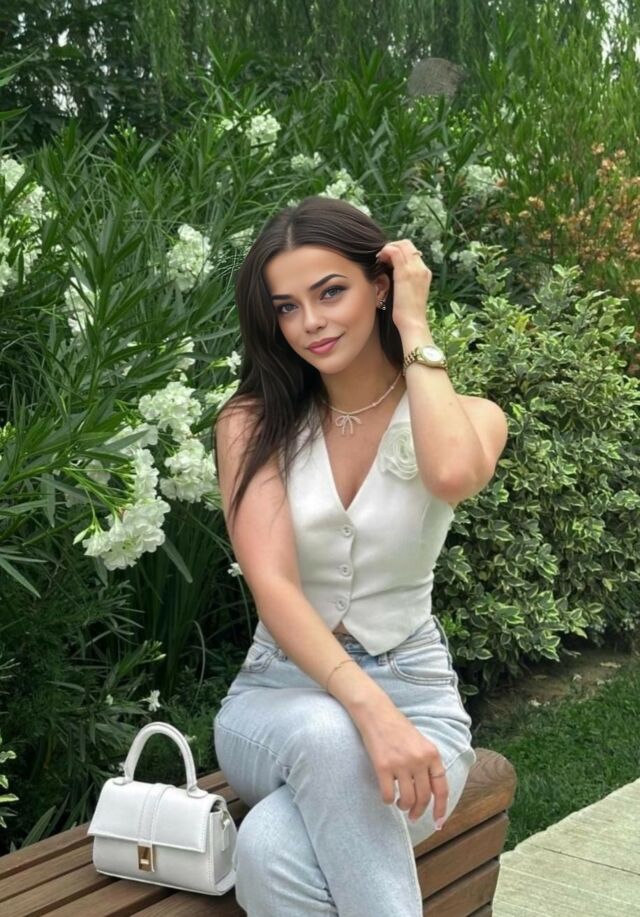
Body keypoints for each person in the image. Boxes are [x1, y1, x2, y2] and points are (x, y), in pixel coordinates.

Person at [212, 196, 509, 916]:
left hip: (417, 702)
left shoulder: (472, 417)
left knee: (270, 847)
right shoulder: (251, 423)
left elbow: (451, 475)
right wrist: (370, 712)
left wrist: (415, 324)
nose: (310, 322)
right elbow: (274, 585)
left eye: (330, 292)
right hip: (276, 701)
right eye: (287, 308)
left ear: (379, 287)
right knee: (328, 736)